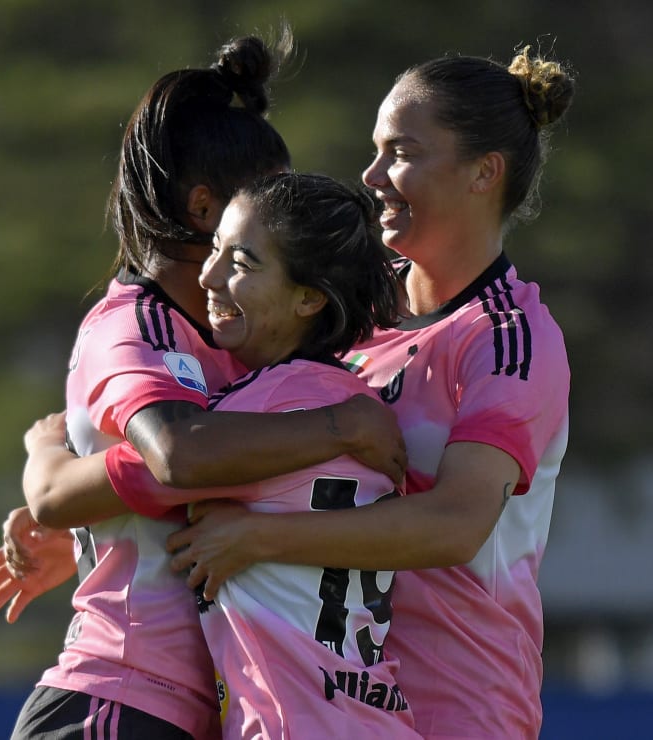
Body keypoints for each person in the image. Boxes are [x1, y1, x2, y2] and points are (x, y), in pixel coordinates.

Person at [0, 33, 406, 740]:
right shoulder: (132, 327)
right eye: (266, 203)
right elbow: (177, 454)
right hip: (120, 697)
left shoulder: (251, 351)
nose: (284, 219)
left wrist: (73, 517)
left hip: (206, 708)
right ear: (208, 210)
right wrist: (345, 427)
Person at [160, 45, 576, 739]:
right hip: (328, 711)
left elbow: (455, 524)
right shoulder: (344, 307)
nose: (372, 174)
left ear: (483, 172)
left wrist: (259, 538)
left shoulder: (508, 337)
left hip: (459, 711)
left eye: (401, 152)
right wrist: (95, 520)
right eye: (375, 150)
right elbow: (220, 437)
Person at [22, 171, 421, 739]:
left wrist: (43, 453)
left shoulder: (248, 420)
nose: (208, 276)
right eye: (215, 250)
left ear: (309, 297)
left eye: (242, 263)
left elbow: (93, 487)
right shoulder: (357, 399)